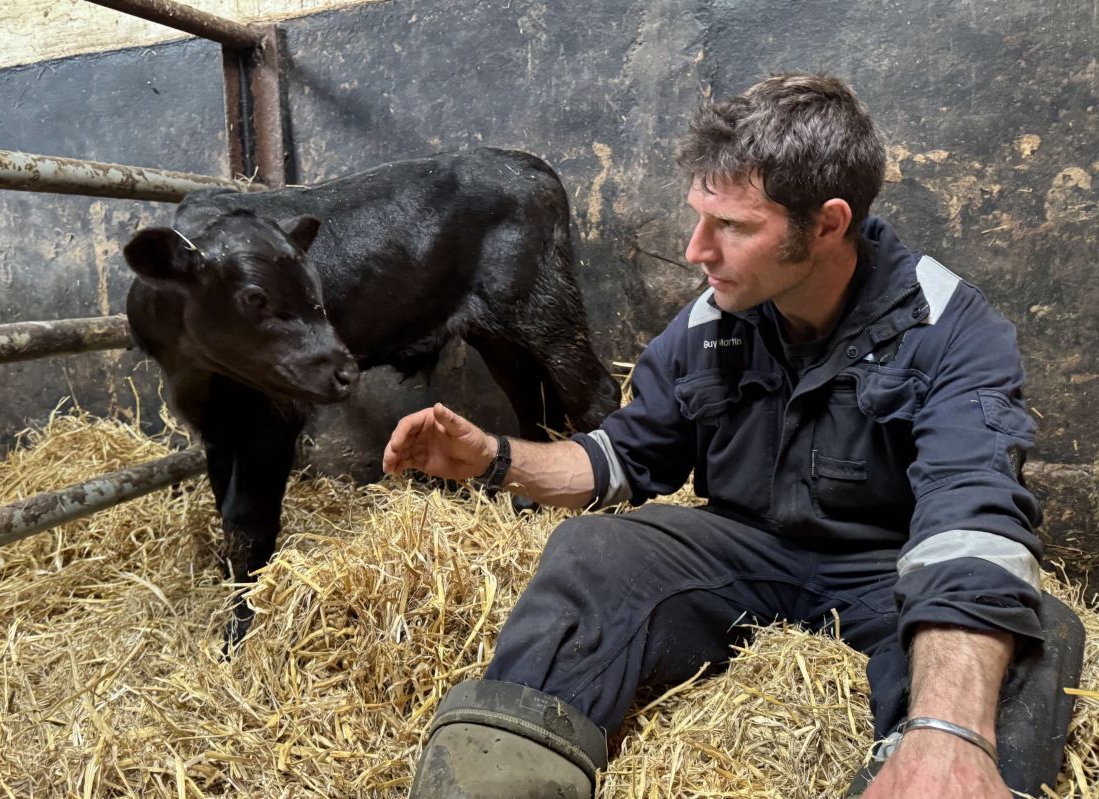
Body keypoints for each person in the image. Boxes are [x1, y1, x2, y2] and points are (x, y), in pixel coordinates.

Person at [383, 73, 1084, 799]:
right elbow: (625, 457)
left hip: (889, 574)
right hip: (741, 561)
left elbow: (969, 517)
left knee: (1031, 634)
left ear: (828, 223)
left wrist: (949, 730)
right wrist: (494, 459)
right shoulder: (711, 322)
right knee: (593, 551)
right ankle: (496, 781)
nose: (695, 250)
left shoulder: (950, 324)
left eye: (734, 227)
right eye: (699, 216)